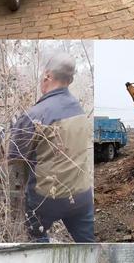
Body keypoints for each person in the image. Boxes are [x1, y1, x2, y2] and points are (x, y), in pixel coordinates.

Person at [8, 52, 94, 243]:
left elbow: (16, 158)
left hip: (47, 200)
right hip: (82, 195)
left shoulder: (36, 114)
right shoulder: (78, 109)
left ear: (47, 75)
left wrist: (16, 129)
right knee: (88, 243)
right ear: (70, 80)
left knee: (37, 239)